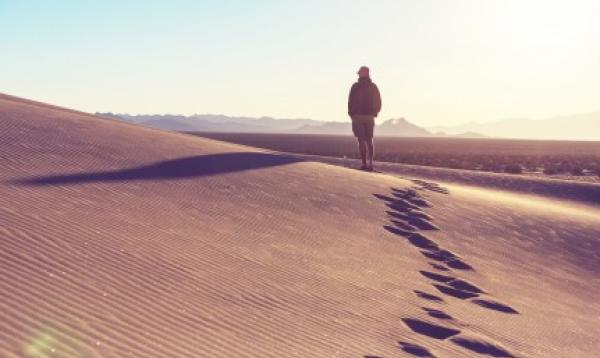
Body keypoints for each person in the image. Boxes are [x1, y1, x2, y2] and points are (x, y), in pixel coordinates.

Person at [348, 66, 381, 171]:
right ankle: (370, 164)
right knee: (369, 140)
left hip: (358, 116)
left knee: (361, 140)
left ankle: (364, 164)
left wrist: (352, 114)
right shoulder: (373, 86)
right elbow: (378, 101)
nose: (358, 74)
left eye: (359, 73)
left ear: (363, 73)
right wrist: (375, 112)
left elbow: (350, 101)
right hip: (369, 116)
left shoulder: (355, 86)